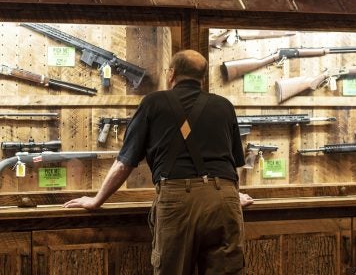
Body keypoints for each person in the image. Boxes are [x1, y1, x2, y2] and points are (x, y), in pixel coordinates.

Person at [64, 49, 254, 274]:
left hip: (177, 201)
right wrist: (230, 194)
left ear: (171, 74)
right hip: (225, 200)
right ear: (202, 78)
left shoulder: (153, 103)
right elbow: (233, 163)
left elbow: (125, 163)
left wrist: (96, 200)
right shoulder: (224, 106)